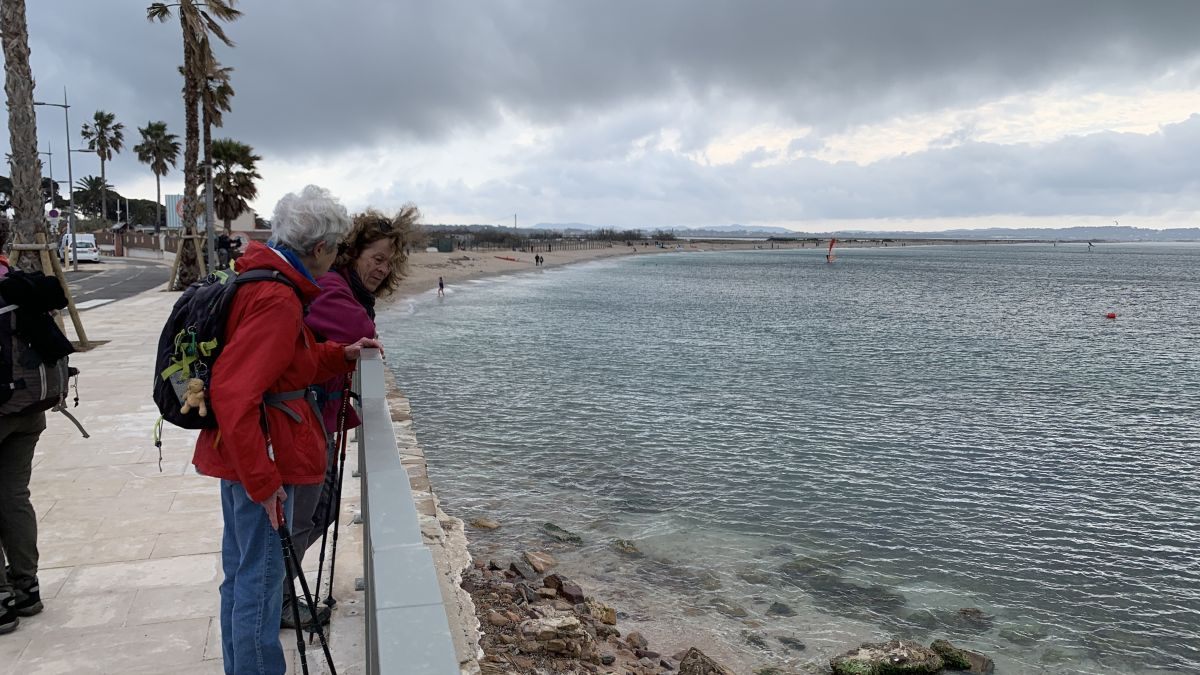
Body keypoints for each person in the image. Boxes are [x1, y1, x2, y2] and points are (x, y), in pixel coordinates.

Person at [190, 185, 381, 675]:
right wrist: (265, 482)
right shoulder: (277, 297)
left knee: (242, 576)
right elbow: (237, 393)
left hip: (241, 455)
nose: (337, 258)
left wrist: (339, 354)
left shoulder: (261, 278)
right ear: (320, 249)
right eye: (336, 249)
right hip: (262, 458)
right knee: (260, 583)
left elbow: (284, 366)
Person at [287, 206, 413, 627]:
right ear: (350, 251)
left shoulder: (342, 286)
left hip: (315, 419)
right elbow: (357, 327)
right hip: (305, 421)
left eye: (389, 262)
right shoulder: (331, 285)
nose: (382, 268)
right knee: (307, 514)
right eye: (376, 257)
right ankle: (279, 601)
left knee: (315, 511)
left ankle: (280, 596)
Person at [0, 254, 47, 636]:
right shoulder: (19, 281)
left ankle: (1, 600)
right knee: (14, 496)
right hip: (30, 408)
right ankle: (26, 588)